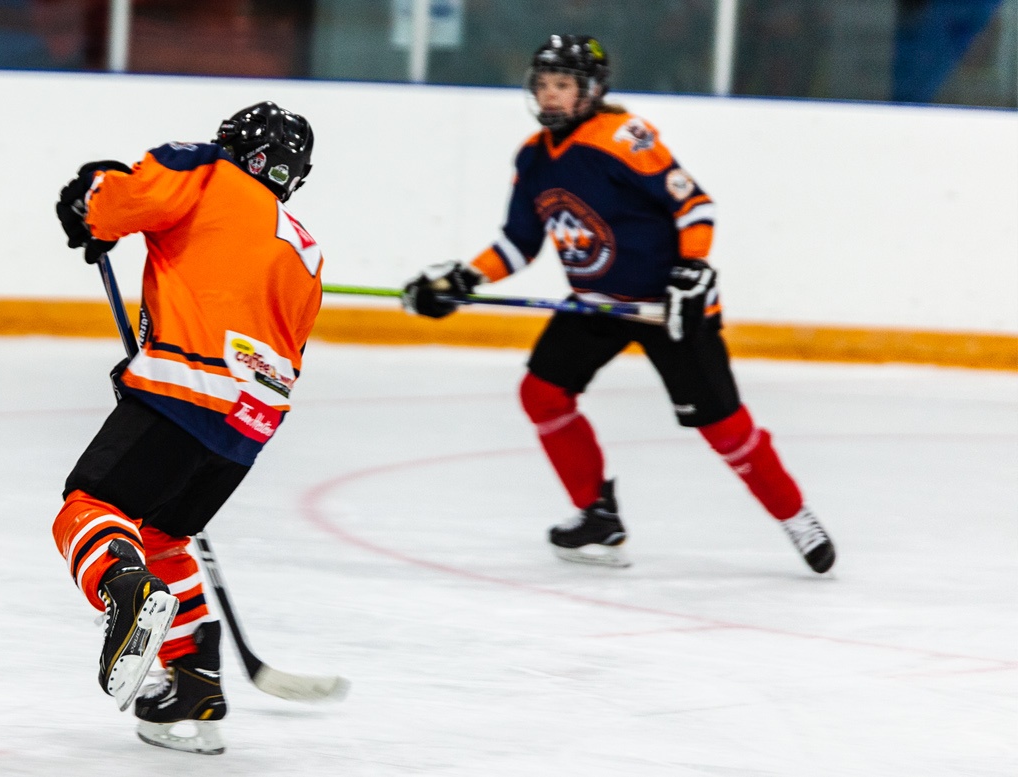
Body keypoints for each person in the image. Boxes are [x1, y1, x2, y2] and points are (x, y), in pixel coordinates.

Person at [402, 35, 836, 574]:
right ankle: (597, 515)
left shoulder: (621, 138)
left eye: (563, 85)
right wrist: (464, 278)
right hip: (597, 305)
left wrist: (691, 272)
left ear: (591, 90)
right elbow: (520, 241)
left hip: (668, 306)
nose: (550, 97)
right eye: (543, 85)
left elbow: (694, 205)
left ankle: (796, 517)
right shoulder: (534, 157)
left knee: (725, 428)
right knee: (542, 393)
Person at [51, 101, 322, 754]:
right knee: (165, 534)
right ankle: (193, 689)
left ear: (238, 146)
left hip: (189, 385)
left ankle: (127, 589)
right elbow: (271, 341)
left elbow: (114, 206)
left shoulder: (204, 167)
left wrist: (91, 192)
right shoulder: (307, 250)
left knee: (89, 509)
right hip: (253, 420)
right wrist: (155, 362)